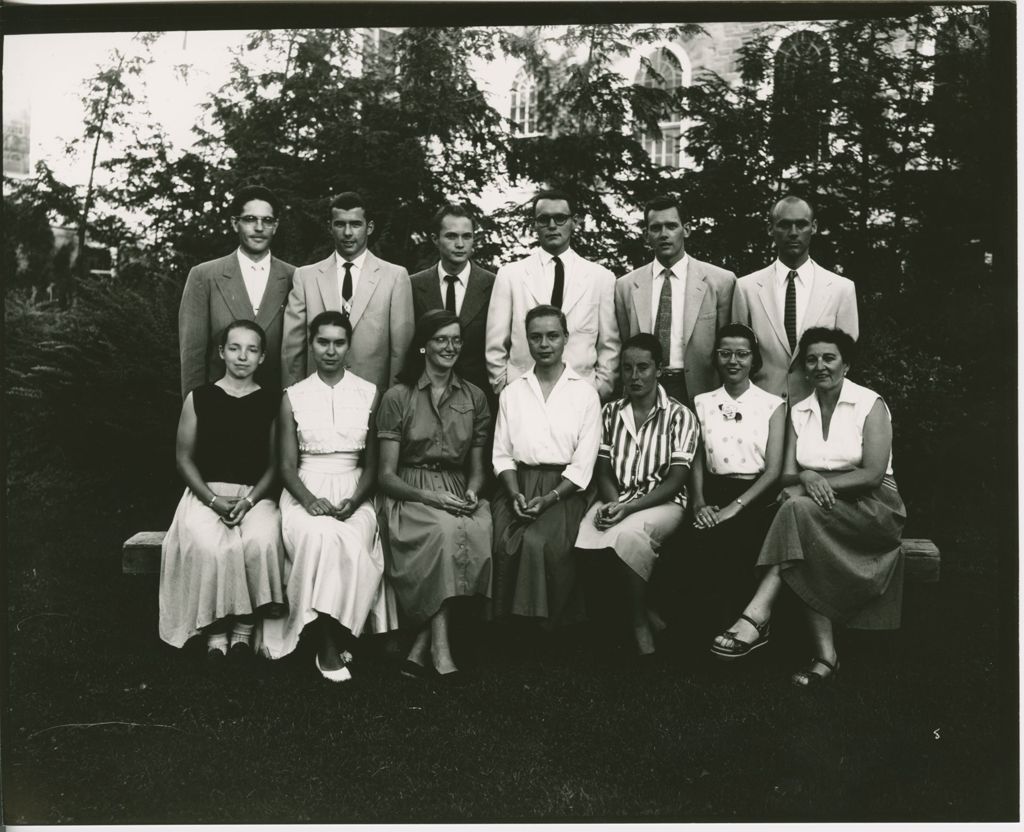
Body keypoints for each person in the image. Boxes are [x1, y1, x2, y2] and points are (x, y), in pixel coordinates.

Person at [711, 328, 906, 688]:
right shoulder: (800, 410)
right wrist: (809, 475)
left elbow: (874, 474)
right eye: (812, 359)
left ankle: (758, 616)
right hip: (819, 507)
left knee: (795, 510)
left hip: (873, 509)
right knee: (799, 518)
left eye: (829, 358)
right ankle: (823, 657)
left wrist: (816, 482)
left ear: (846, 365)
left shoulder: (869, 403)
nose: (820, 366)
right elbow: (788, 472)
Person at [260, 311, 393, 681]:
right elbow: (286, 465)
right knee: (319, 535)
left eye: (338, 342)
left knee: (350, 534)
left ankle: (330, 632)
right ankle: (327, 642)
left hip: (353, 489)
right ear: (311, 344)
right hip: (305, 486)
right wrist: (309, 500)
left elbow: (371, 465)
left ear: (348, 346)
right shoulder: (294, 396)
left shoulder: (368, 393)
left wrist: (353, 501)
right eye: (323, 342)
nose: (330, 350)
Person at [159, 320, 286, 662]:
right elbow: (184, 459)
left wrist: (248, 500)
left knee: (261, 540)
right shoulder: (199, 398)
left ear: (262, 357)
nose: (242, 356)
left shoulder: (273, 401)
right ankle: (215, 633)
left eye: (252, 349)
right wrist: (213, 501)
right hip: (207, 493)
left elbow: (277, 464)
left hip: (255, 495)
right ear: (221, 352)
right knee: (208, 544)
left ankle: (244, 631)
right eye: (234, 348)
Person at [377, 310, 493, 680]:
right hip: (410, 493)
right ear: (424, 346)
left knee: (478, 529)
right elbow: (386, 476)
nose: (450, 347)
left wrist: (473, 492)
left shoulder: (474, 396)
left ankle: (420, 646)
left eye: (456, 339)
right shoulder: (398, 396)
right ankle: (441, 648)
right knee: (444, 534)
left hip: (457, 488)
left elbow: (477, 468)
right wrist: (430, 498)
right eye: (441, 339)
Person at [574, 333, 698, 656]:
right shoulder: (611, 412)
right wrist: (614, 502)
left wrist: (628, 509)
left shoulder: (680, 415)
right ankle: (636, 612)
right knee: (587, 532)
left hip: (664, 502)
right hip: (619, 496)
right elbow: (603, 470)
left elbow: (676, 479)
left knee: (629, 536)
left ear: (659, 369)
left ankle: (638, 620)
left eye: (643, 367)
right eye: (627, 368)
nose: (634, 376)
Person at [491, 305, 602, 625]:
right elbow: (502, 454)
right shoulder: (513, 392)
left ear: (566, 338)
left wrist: (551, 498)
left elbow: (583, 463)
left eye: (552, 336)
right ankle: (507, 623)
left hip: (564, 489)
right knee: (502, 538)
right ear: (526, 340)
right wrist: (514, 495)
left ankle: (546, 624)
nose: (544, 344)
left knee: (540, 542)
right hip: (518, 485)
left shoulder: (585, 393)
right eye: (536, 337)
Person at [689, 323, 786, 625]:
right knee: (695, 543)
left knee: (738, 545)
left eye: (742, 354)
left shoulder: (772, 405)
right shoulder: (702, 402)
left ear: (753, 359)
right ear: (716, 358)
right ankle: (702, 630)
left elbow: (773, 470)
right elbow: (696, 459)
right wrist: (699, 503)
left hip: (757, 496)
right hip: (713, 493)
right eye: (725, 353)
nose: (733, 361)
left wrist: (735, 507)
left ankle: (745, 628)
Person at [485, 190, 620, 402]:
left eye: (560, 218)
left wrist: (599, 388)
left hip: (581, 395)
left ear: (574, 222)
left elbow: (609, 345)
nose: (552, 225)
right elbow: (495, 344)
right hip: (523, 393)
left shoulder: (600, 278)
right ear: (535, 225)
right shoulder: (510, 275)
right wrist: (505, 388)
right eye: (543, 219)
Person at [281, 191, 414, 392]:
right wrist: (293, 398)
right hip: (316, 396)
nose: (348, 233)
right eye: (340, 224)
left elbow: (401, 350)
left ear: (369, 228)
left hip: (373, 397)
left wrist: (394, 402)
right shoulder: (306, 277)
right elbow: (293, 349)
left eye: (356, 224)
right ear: (330, 227)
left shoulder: (395, 277)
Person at [732, 196, 859, 404]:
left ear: (814, 227)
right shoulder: (746, 287)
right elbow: (740, 353)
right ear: (770, 228)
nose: (793, 233)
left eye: (801, 224)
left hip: (819, 405)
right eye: (784, 225)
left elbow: (845, 357)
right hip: (760, 407)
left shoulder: (841, 289)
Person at [615, 195, 736, 406]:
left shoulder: (720, 282)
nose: (664, 234)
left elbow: (728, 347)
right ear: (646, 235)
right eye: (656, 228)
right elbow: (625, 342)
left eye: (671, 226)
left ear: (686, 230)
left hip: (702, 391)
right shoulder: (626, 286)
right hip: (644, 389)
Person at [178, 185, 295, 398]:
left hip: (276, 406)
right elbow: (192, 355)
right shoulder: (204, 276)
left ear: (276, 226)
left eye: (267, 220)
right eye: (250, 219)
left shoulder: (294, 278)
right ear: (235, 223)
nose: (259, 227)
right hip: (220, 404)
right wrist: (195, 409)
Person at [410, 204, 496, 406]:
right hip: (426, 397)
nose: (460, 244)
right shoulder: (413, 285)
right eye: (451, 236)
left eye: (466, 236)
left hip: (478, 399)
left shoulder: (493, 285)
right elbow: (412, 347)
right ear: (435, 239)